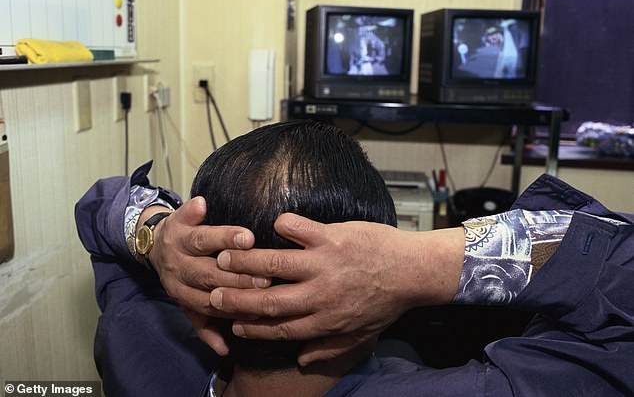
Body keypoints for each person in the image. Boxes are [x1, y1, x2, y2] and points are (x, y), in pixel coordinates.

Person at [75, 121, 634, 396]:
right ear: (371, 298)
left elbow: (100, 207)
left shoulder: (135, 340)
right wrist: (423, 264)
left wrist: (153, 236)